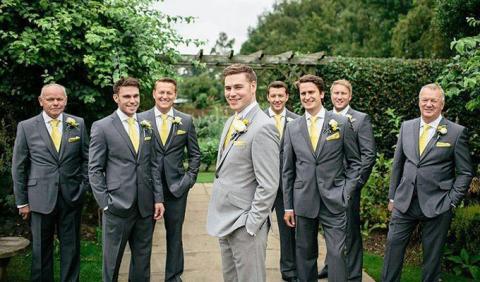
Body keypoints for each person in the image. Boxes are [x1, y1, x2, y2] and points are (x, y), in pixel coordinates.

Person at [382, 83, 473, 282]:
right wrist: (392, 197)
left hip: (438, 203)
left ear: (442, 104)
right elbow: (398, 164)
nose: (428, 104)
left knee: (432, 258)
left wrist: (451, 201)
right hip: (404, 202)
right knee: (392, 249)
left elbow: (465, 172)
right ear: (419, 102)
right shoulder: (407, 126)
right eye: (425, 100)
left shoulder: (456, 132)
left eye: (434, 100)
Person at [283, 74, 361, 281]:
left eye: (311, 92)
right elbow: (288, 170)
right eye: (303, 93)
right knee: (305, 255)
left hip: (334, 199)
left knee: (336, 254)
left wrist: (345, 191)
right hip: (304, 200)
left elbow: (355, 163)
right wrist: (289, 206)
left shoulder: (341, 123)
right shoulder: (292, 128)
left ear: (322, 94)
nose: (307, 97)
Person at [206, 64, 280, 281]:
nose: (231, 93)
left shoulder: (263, 127)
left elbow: (269, 184)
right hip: (225, 221)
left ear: (253, 86)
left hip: (245, 225)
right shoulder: (232, 121)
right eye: (228, 88)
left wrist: (251, 225)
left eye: (238, 87)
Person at [89, 77, 165, 282]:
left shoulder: (146, 125)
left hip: (145, 206)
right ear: (116, 98)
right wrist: (105, 203)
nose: (132, 100)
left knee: (142, 261)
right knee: (112, 263)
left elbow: (154, 165)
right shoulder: (102, 127)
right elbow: (94, 169)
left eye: (136, 96)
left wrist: (158, 198)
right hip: (117, 206)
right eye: (127, 96)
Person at [12, 83, 89, 282]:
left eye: (59, 99)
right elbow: (19, 166)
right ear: (41, 101)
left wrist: (82, 187)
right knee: (40, 251)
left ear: (65, 100)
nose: (56, 103)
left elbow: (87, 159)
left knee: (71, 249)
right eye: (50, 99)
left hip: (71, 197)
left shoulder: (77, 123)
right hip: (39, 199)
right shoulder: (27, 127)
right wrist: (22, 201)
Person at [138, 77, 201, 282]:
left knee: (175, 236)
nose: (165, 96)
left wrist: (189, 179)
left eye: (169, 93)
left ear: (175, 95)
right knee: (144, 237)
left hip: (176, 189)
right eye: (161, 92)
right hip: (147, 188)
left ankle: (173, 277)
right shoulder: (140, 119)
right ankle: (141, 277)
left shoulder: (186, 121)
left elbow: (195, 154)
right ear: (154, 94)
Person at [318, 79, 376, 281]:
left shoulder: (360, 119)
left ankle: (353, 276)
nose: (339, 97)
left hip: (347, 187)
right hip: (325, 186)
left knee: (350, 233)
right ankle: (330, 266)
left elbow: (368, 156)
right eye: (336, 93)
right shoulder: (323, 118)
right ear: (330, 95)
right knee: (331, 230)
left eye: (343, 93)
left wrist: (353, 185)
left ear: (350, 96)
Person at [263, 81, 300, 282]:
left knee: (288, 230)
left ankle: (289, 271)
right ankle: (254, 270)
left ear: (286, 97)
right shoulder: (257, 119)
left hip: (287, 186)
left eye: (281, 96)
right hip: (262, 185)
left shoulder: (297, 120)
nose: (277, 99)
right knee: (257, 229)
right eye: (273, 96)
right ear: (268, 97)